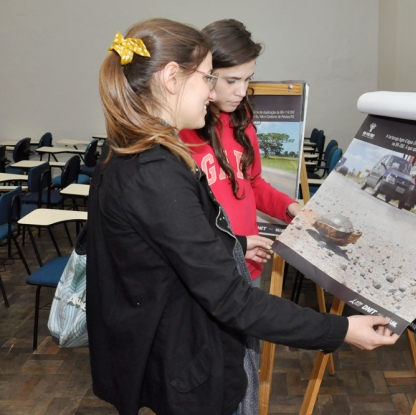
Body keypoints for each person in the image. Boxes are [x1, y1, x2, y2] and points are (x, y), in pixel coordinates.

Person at [88, 18, 398, 415]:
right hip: (186, 357)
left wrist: (233, 243)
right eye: (206, 77)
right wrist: (342, 329)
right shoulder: (155, 172)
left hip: (177, 342)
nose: (212, 90)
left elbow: (170, 247)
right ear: (171, 78)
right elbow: (228, 297)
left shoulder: (129, 149)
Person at [179, 19, 300, 288]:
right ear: (205, 75)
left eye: (247, 79)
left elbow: (253, 183)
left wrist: (290, 207)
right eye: (231, 80)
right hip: (206, 267)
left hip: (249, 263)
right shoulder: (182, 131)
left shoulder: (241, 121)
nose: (242, 91)